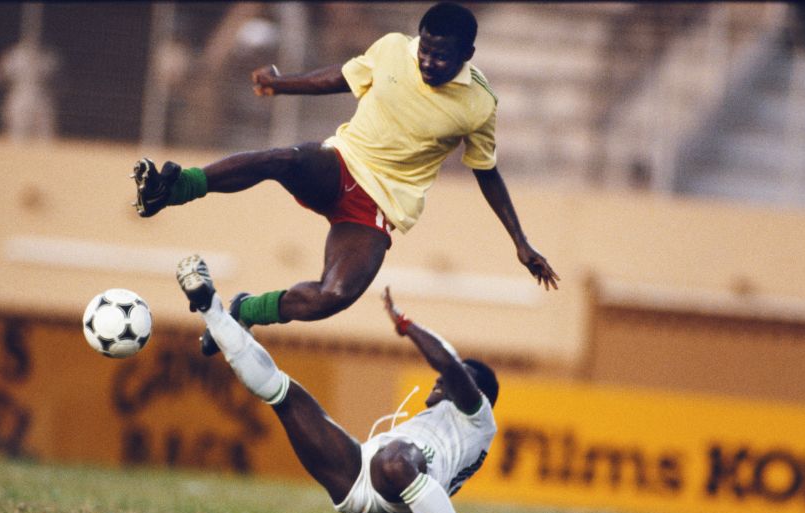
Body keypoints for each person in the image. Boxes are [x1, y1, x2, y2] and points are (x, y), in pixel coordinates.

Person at [135, 2, 559, 356]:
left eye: (441, 56)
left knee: (334, 296)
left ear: (467, 52)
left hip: (377, 208)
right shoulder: (395, 49)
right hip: (341, 164)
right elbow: (342, 76)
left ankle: (246, 312)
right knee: (284, 158)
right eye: (424, 50)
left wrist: (520, 242)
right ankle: (172, 188)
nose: (427, 61)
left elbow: (485, 170)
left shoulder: (479, 105)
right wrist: (281, 85)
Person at [175, 253, 515, 513]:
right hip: (358, 479)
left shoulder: (479, 419)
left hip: (394, 468)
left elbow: (449, 365)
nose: (441, 380)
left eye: (458, 381)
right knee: (283, 394)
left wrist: (406, 325)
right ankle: (212, 310)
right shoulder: (445, 451)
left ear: (478, 395)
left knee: (397, 457)